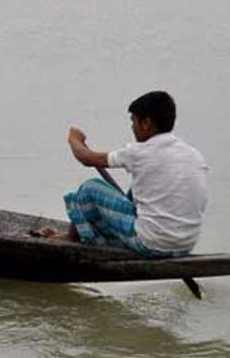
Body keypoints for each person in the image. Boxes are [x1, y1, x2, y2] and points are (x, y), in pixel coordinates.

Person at [40, 91, 208, 257]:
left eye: (133, 121)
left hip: (151, 244)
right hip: (185, 245)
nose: (132, 127)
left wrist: (74, 139)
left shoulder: (141, 152)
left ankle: (71, 238)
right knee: (136, 188)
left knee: (89, 188)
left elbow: (86, 158)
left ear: (146, 123)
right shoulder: (194, 155)